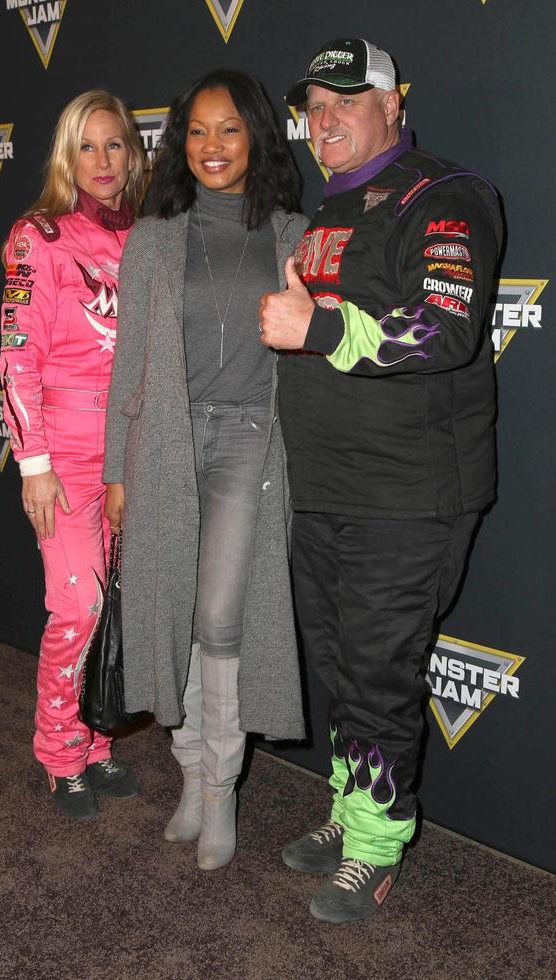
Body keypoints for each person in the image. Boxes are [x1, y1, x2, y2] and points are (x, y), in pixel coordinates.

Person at [259, 38, 502, 923]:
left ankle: (375, 846)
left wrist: (319, 328)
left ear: (396, 104)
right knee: (340, 666)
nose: (324, 122)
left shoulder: (448, 195)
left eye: (347, 102)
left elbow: (445, 327)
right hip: (324, 486)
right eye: (314, 108)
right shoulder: (330, 208)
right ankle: (354, 807)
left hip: (409, 496)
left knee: (376, 669)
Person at [103, 70, 307, 870]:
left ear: (256, 136)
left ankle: (221, 788)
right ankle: (190, 775)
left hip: (251, 438)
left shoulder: (294, 235)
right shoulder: (153, 240)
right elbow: (129, 367)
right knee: (177, 613)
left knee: (221, 616)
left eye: (229, 130)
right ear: (177, 142)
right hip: (166, 443)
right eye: (196, 131)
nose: (212, 147)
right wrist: (120, 471)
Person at [0, 90, 146, 821]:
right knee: (78, 607)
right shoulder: (38, 236)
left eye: (115, 144)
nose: (102, 161)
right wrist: (35, 464)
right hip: (62, 458)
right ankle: (58, 750)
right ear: (66, 155)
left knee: (115, 609)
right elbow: (16, 357)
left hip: (131, 459)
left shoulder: (146, 238)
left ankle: (94, 743)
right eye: (87, 147)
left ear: (133, 151)